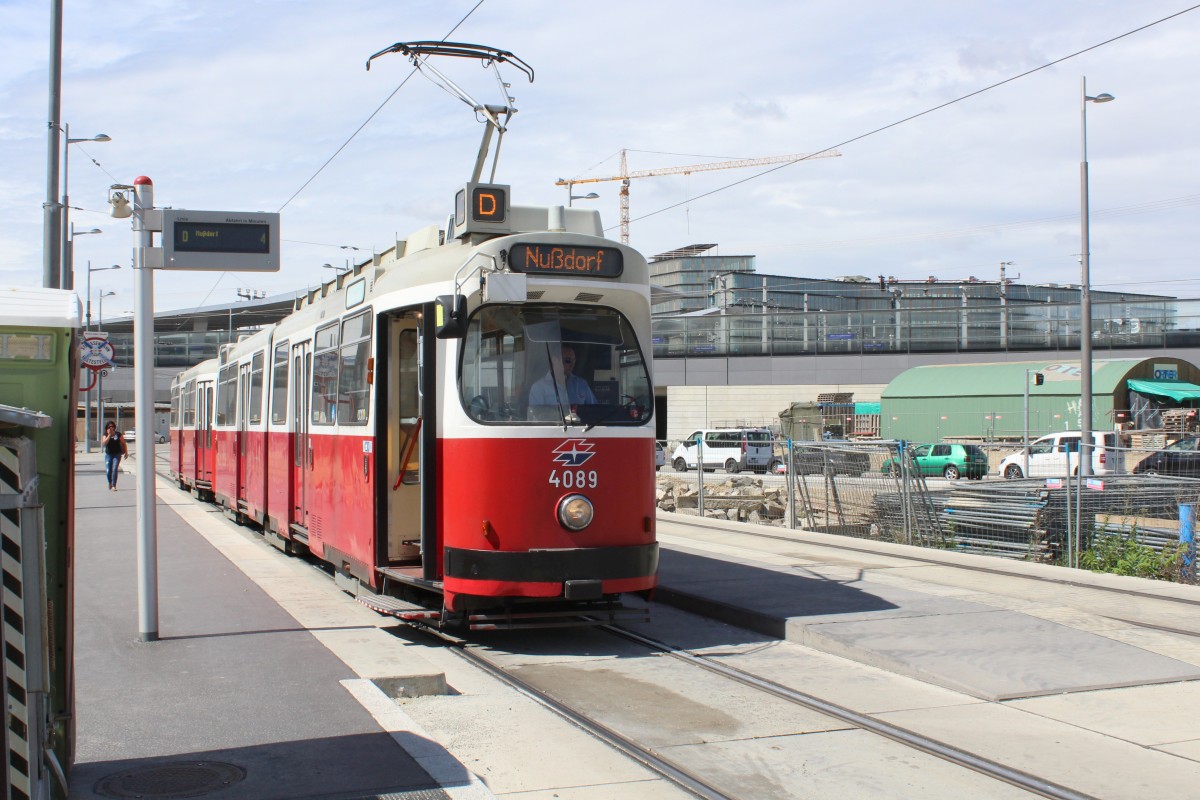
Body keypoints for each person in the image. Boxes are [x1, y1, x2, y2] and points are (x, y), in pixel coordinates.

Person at [528, 344, 597, 407]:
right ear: (555, 360)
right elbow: (537, 417)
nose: (572, 364)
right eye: (568, 360)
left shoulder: (582, 384)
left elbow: (595, 409)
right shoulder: (539, 388)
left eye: (574, 360)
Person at [101, 421, 128, 491]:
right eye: (109, 427)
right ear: (107, 428)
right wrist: (109, 435)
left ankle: (114, 485)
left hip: (117, 454)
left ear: (114, 427)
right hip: (108, 455)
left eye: (112, 426)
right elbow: (104, 443)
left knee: (115, 469)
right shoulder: (105, 434)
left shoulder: (118, 434)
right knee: (108, 470)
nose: (111, 428)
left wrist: (126, 453)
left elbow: (124, 443)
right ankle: (109, 482)